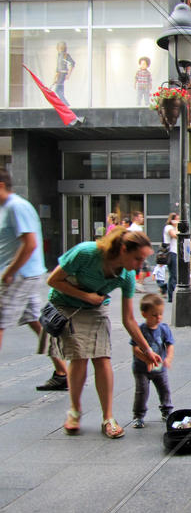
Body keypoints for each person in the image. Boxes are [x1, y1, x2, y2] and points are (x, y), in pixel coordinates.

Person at [47, 228, 161, 439]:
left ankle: (108, 418)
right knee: (79, 357)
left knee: (103, 356)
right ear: (123, 249)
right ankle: (74, 411)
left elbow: (129, 319)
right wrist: (86, 296)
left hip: (96, 307)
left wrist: (147, 349)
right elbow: (53, 281)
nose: (140, 265)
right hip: (67, 304)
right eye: (137, 258)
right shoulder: (86, 252)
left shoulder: (126, 276)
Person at [0, 169, 69, 392]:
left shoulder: (16, 206)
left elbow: (29, 244)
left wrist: (9, 271)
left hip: (19, 276)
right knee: (37, 322)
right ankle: (62, 372)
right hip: (23, 274)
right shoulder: (7, 208)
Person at [130, 293, 174, 429]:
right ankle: (138, 416)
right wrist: (146, 358)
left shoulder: (164, 329)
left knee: (164, 389)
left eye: (160, 314)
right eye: (154, 315)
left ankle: (167, 411)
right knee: (142, 392)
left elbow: (170, 344)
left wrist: (168, 358)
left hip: (159, 368)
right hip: (141, 369)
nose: (158, 317)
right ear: (144, 314)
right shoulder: (140, 330)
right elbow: (135, 349)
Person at [128, 211, 150, 291]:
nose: (142, 219)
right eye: (141, 217)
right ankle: (138, 284)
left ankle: (137, 284)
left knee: (139, 268)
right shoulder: (135, 228)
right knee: (145, 267)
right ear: (136, 218)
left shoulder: (134, 228)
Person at [52, 41, 75, 106]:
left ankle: (66, 104)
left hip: (62, 74)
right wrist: (55, 78)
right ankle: (64, 104)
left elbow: (72, 63)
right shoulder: (59, 55)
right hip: (60, 74)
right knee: (60, 89)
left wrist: (68, 74)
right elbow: (57, 68)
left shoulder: (66, 56)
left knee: (58, 90)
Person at [162, 213, 179, 303]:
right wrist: (176, 226)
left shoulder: (173, 228)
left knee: (175, 274)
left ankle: (167, 290)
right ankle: (171, 295)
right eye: (176, 219)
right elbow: (175, 235)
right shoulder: (169, 227)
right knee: (174, 274)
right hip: (171, 253)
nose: (178, 221)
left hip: (175, 252)